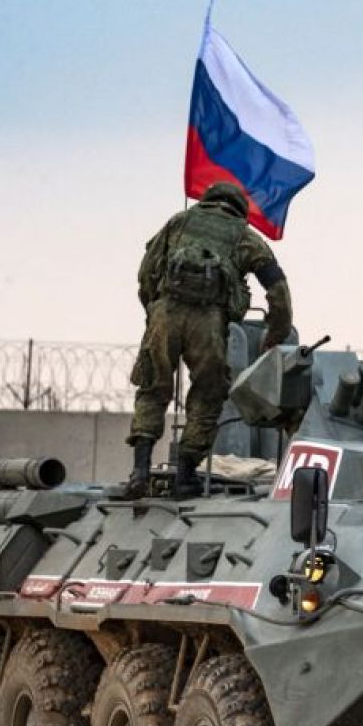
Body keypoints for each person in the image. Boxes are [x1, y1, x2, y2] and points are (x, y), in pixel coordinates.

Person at [123, 181, 293, 499]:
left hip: (165, 313)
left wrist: (153, 309)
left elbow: (147, 271)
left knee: (152, 388)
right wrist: (277, 332)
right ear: (238, 208)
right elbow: (278, 289)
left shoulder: (179, 221)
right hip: (209, 322)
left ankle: (140, 471)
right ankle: (186, 475)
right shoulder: (244, 236)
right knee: (208, 394)